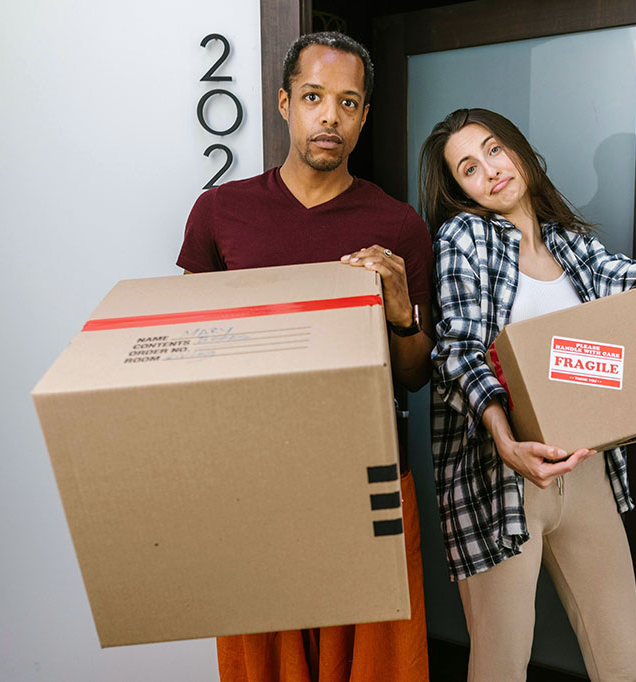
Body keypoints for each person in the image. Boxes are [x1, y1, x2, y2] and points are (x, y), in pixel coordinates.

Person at [419, 108, 636, 682]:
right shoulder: (465, 237)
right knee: (500, 668)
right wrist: (508, 442)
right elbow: (457, 350)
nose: (489, 169)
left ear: (519, 150)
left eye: (494, 149)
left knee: (623, 664)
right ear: (458, 189)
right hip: (501, 476)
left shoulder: (574, 246)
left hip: (588, 470)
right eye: (468, 168)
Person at [176, 32, 432, 682]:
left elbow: (415, 377)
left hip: (367, 477)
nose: (330, 117)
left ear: (364, 115)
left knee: (377, 670)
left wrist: (402, 313)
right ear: (286, 102)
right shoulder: (219, 212)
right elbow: (186, 357)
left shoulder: (397, 223)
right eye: (315, 97)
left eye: (348, 102)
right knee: (263, 669)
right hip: (254, 481)